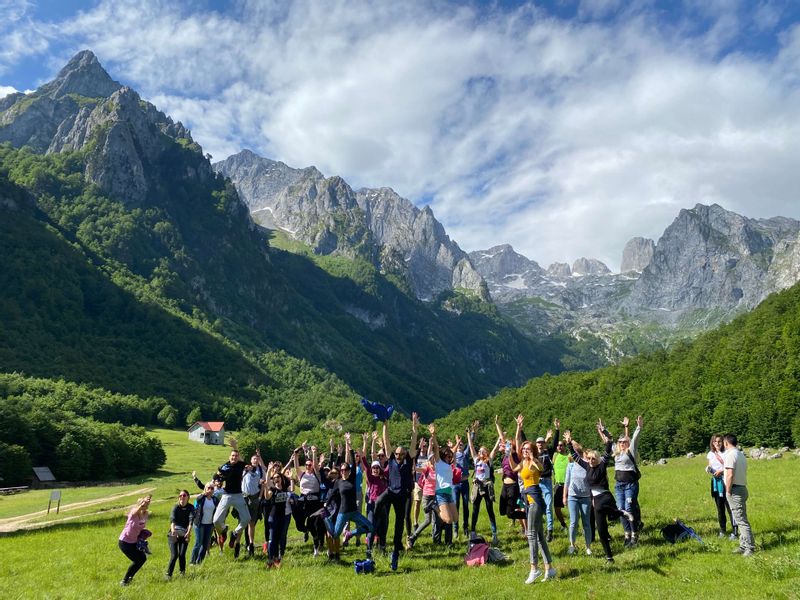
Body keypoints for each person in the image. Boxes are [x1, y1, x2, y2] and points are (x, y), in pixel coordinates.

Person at [565, 422, 634, 563]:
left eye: (593, 458)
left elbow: (608, 446)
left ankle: (621, 513)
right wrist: (568, 443)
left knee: (612, 514)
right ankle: (609, 557)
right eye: (589, 458)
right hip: (595, 501)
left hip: (605, 497)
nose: (590, 460)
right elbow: (575, 456)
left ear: (597, 459)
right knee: (602, 532)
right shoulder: (586, 466)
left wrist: (605, 432)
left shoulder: (602, 464)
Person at [508, 415, 556, 584]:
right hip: (527, 499)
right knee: (540, 536)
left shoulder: (534, 461)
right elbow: (514, 468)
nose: (525, 451)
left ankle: (534, 568)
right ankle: (550, 568)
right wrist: (518, 428)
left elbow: (541, 468)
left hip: (535, 498)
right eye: (524, 449)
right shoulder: (522, 463)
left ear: (533, 450)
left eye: (528, 449)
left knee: (531, 534)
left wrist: (533, 460)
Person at [376, 412, 419, 571]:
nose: (399, 455)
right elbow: (386, 441)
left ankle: (396, 547)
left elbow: (413, 443)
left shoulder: (408, 459)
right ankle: (373, 523)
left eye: (401, 453)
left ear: (405, 454)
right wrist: (385, 425)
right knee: (379, 501)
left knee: (399, 523)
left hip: (402, 496)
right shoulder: (391, 458)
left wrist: (414, 427)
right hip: (391, 492)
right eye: (398, 453)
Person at [324, 433, 373, 558]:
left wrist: (349, 444)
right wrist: (326, 505)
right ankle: (327, 520)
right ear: (340, 471)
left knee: (370, 527)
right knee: (335, 535)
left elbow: (354, 462)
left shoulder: (351, 479)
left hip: (354, 512)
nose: (344, 471)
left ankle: (350, 534)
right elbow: (332, 495)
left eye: (346, 469)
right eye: (342, 470)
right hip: (343, 512)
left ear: (349, 471)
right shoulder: (338, 482)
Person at [212, 438, 251, 557]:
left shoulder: (241, 465)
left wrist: (235, 447)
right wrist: (218, 477)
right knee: (216, 521)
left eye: (236, 456)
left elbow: (246, 463)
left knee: (246, 518)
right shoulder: (225, 466)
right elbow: (216, 476)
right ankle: (224, 530)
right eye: (232, 456)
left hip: (238, 495)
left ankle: (235, 533)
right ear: (229, 457)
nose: (234, 457)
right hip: (227, 495)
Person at [466, 425, 500, 545]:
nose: (480, 452)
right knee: (475, 509)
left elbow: (495, 449)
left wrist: (499, 438)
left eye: (483, 450)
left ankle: (494, 533)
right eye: (479, 451)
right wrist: (469, 435)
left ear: (486, 452)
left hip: (486, 485)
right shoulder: (476, 460)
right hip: (477, 485)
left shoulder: (488, 460)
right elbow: (471, 446)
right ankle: (473, 532)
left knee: (490, 509)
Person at [723, 433, 755, 556]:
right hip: (742, 488)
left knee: (741, 520)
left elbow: (730, 474)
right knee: (739, 518)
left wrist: (728, 490)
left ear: (726, 442)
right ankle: (743, 545)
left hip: (735, 490)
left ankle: (749, 547)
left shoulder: (730, 455)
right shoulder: (740, 454)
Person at [614, 415, 643, 546]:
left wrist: (638, 427)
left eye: (624, 442)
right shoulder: (617, 453)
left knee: (629, 508)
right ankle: (627, 534)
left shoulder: (630, 450)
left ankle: (634, 535)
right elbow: (607, 441)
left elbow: (635, 439)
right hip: (619, 486)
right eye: (620, 442)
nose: (622, 443)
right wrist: (602, 430)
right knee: (621, 509)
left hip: (630, 485)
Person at [706, 434, 737, 539]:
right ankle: (722, 530)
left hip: (725, 481)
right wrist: (709, 469)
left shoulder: (727, 453)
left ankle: (735, 531)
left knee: (730, 508)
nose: (717, 443)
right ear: (712, 443)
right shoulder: (711, 453)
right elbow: (710, 464)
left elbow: (729, 467)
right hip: (716, 482)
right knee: (720, 508)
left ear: (722, 442)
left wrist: (721, 471)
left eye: (719, 441)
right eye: (715, 441)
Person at [563, 447, 593, 555]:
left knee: (586, 522)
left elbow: (592, 481)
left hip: (586, 497)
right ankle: (572, 545)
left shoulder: (587, 464)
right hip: (572, 496)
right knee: (574, 521)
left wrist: (592, 497)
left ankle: (588, 546)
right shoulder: (570, 466)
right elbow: (566, 482)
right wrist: (564, 497)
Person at [262, 464, 292, 568]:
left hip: (282, 517)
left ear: (281, 479)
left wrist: (291, 477)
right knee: (272, 539)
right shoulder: (273, 490)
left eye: (278, 477)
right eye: (274, 478)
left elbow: (291, 490)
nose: (276, 479)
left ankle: (276, 559)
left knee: (279, 539)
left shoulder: (285, 490)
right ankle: (270, 560)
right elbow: (266, 496)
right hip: (273, 517)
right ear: (273, 480)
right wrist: (266, 484)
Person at [118, 495, 151, 586]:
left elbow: (141, 524)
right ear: (139, 505)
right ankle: (124, 581)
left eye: (146, 505)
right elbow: (136, 511)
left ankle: (129, 578)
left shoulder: (146, 514)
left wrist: (143, 534)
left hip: (134, 541)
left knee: (142, 558)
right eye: (142, 504)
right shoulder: (133, 512)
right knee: (137, 560)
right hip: (124, 542)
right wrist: (141, 505)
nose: (145, 506)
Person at [535, 420, 559, 542]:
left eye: (541, 442)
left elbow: (554, 444)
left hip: (547, 481)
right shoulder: (533, 454)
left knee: (549, 506)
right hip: (537, 483)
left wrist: (557, 430)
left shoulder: (548, 452)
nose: (539, 444)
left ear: (544, 444)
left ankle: (550, 531)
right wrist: (520, 428)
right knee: (538, 507)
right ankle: (539, 529)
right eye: (538, 443)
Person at [166, 490, 195, 579]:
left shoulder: (191, 507)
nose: (182, 497)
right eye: (180, 496)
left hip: (184, 533)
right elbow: (172, 520)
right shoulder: (175, 507)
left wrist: (188, 533)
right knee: (174, 555)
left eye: (184, 495)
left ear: (188, 497)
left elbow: (191, 521)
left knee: (182, 555)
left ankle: (182, 573)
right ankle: (168, 575)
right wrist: (173, 532)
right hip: (173, 532)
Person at [242, 450, 266, 557]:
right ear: (251, 461)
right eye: (254, 459)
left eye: (257, 459)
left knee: (252, 522)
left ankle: (250, 544)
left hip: (257, 498)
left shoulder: (261, 470)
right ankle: (247, 544)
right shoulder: (246, 469)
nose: (255, 460)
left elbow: (263, 484)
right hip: (245, 497)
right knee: (243, 521)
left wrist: (260, 497)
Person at [190, 481, 218, 565]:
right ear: (205, 489)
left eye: (212, 488)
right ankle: (192, 562)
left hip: (210, 524)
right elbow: (197, 500)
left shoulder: (215, 499)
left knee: (205, 544)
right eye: (208, 488)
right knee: (198, 543)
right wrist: (204, 493)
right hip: (200, 523)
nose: (210, 490)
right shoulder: (201, 498)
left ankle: (199, 562)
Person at [453, 428, 471, 538]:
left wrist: (471, 433)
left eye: (461, 444)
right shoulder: (454, 455)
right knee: (455, 506)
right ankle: (455, 529)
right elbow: (452, 452)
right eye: (459, 444)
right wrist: (457, 442)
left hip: (465, 484)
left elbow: (471, 443)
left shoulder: (465, 454)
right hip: (455, 485)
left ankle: (465, 527)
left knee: (465, 506)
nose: (460, 445)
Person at [552, 434, 570, 532]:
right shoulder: (555, 456)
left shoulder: (569, 456)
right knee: (557, 508)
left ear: (564, 446)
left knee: (571, 506)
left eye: (561, 445)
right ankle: (563, 524)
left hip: (568, 485)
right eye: (558, 445)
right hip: (558, 485)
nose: (559, 446)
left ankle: (573, 524)